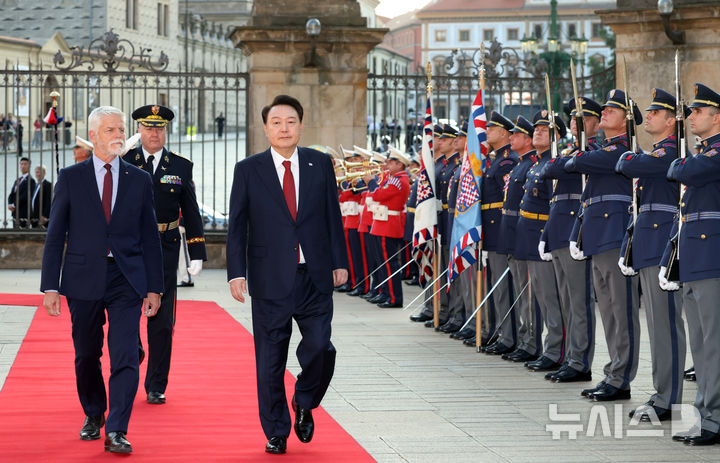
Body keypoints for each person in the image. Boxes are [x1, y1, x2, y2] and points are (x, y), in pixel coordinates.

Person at [226, 94, 348, 454]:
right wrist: (236, 272)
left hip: (315, 276)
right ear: (265, 128)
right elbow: (238, 225)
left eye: (291, 121)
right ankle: (276, 429)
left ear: (300, 125)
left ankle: (305, 399)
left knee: (320, 347)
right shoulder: (248, 169)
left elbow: (332, 217)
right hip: (269, 279)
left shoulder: (319, 164)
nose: (284, 128)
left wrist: (339, 261)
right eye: (276, 122)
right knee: (270, 359)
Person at [40, 105, 163, 454]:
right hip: (82, 277)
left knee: (124, 354)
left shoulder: (139, 180)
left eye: (121, 129)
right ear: (93, 136)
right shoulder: (70, 177)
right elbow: (55, 234)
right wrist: (50, 285)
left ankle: (117, 429)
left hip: (126, 278)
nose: (119, 136)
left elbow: (149, 237)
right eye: (110, 130)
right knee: (86, 354)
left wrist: (154, 286)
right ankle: (94, 413)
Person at [125, 104, 207, 405]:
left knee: (162, 320)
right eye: (148, 127)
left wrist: (196, 250)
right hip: (130, 248)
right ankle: (133, 351)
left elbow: (193, 212)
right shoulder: (125, 161)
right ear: (139, 130)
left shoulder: (181, 166)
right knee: (127, 308)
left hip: (166, 246)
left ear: (166, 131)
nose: (154, 132)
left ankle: (156, 384)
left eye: (159, 128)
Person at [565, 89, 642, 401]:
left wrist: (580, 152)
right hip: (598, 236)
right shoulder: (604, 148)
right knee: (608, 310)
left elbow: (574, 164)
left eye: (613, 109)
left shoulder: (621, 151)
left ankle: (622, 377)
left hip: (615, 234)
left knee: (621, 311)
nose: (605, 112)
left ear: (626, 120)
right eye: (606, 108)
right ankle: (613, 372)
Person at [617, 88, 687, 422]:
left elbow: (627, 164)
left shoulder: (671, 151)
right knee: (658, 325)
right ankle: (662, 392)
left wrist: (631, 156)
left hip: (662, 243)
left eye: (656, 112)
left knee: (666, 326)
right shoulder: (659, 151)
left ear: (673, 120)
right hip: (648, 242)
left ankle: (668, 398)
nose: (649, 115)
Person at [660, 83, 720, 445]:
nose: (691, 117)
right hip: (694, 257)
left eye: (698, 112)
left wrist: (682, 159)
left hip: (712, 256)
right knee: (700, 344)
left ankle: (714, 418)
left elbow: (683, 172)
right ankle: (704, 415)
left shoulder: (714, 153)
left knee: (713, 342)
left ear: (717, 117)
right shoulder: (701, 153)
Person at [539, 97, 602, 383]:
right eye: (574, 119)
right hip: (560, 230)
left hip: (578, 231)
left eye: (582, 119)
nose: (576, 123)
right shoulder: (571, 152)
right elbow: (549, 170)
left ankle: (580, 362)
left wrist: (570, 159)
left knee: (579, 301)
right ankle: (569, 356)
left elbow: (557, 167)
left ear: (595, 123)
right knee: (566, 300)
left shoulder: (595, 150)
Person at [518, 111, 566, 373]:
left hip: (544, 236)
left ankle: (556, 350)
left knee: (551, 297)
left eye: (544, 130)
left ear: (557, 136)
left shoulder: (554, 163)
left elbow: (554, 205)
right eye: (536, 128)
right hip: (530, 236)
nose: (537, 132)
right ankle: (550, 348)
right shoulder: (538, 163)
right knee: (541, 295)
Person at [497, 116, 539, 362]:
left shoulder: (529, 163)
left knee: (529, 294)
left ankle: (531, 342)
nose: (511, 138)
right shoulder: (521, 165)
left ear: (527, 139)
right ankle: (524, 339)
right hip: (512, 234)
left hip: (525, 236)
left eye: (515, 135)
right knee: (523, 294)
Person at [480, 112, 519, 353]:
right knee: (494, 285)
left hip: (499, 230)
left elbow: (508, 199)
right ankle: (496, 331)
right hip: (490, 229)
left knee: (503, 287)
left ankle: (508, 336)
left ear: (504, 133)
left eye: (491, 128)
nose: (487, 131)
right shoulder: (495, 160)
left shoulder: (507, 162)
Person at [368, 146, 411, 308]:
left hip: (388, 224)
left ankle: (394, 298)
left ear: (400, 165)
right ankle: (386, 293)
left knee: (388, 264)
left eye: (391, 162)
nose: (388, 165)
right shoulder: (393, 179)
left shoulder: (398, 180)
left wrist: (371, 182)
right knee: (382, 262)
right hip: (383, 223)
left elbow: (379, 195)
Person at [7, 157, 36, 228]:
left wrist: (14, 205)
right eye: (21, 164)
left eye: (25, 164)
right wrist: (10, 204)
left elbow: (26, 196)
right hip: (14, 213)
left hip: (23, 213)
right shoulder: (17, 180)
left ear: (29, 166)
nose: (23, 166)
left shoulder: (31, 181)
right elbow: (12, 194)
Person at [31, 164, 52, 228]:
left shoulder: (48, 185)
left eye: (40, 172)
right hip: (34, 217)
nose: (38, 174)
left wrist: (45, 215)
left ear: (44, 173)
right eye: (37, 172)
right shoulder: (35, 185)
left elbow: (49, 201)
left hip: (43, 218)